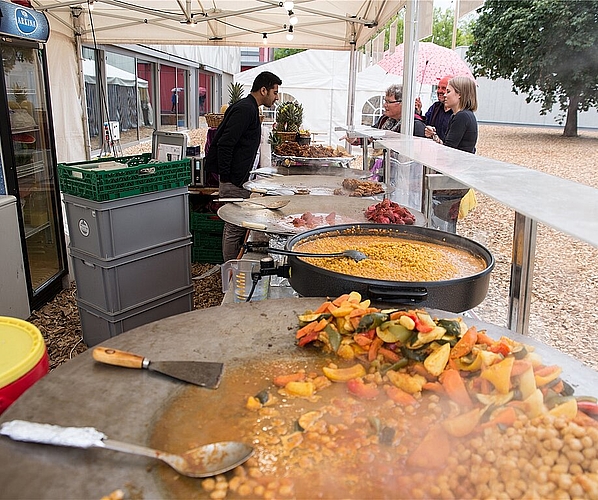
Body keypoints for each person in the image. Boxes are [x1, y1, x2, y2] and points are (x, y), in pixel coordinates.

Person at [204, 71, 282, 262]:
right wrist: (228, 177)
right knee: (234, 225)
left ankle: (233, 264)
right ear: (263, 90)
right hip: (233, 179)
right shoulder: (245, 109)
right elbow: (225, 143)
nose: (277, 97)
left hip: (239, 178)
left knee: (236, 225)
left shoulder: (249, 107)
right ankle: (231, 269)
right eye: (275, 92)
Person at [428, 76, 479, 232]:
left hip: (454, 177)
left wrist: (435, 140)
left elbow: (449, 151)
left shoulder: (462, 116)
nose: (444, 95)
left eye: (448, 91)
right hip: (456, 174)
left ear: (460, 95)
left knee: (442, 219)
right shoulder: (461, 116)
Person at [415, 75, 453, 142]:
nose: (439, 91)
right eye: (438, 87)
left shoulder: (458, 113)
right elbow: (425, 124)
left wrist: (434, 135)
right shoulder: (435, 107)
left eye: (444, 88)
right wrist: (418, 112)